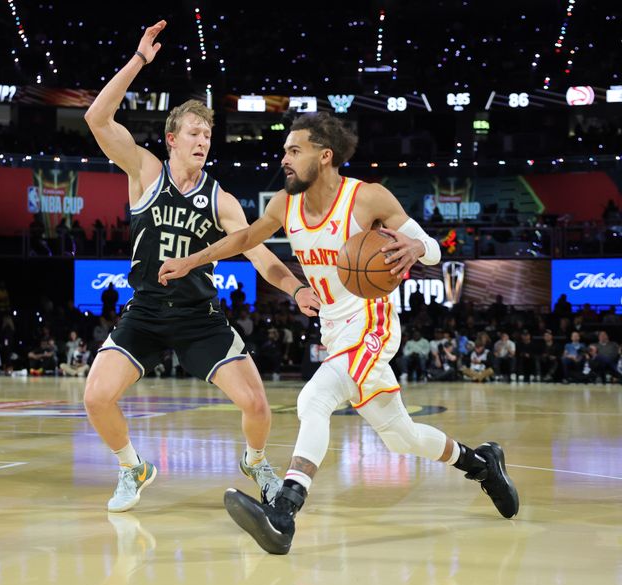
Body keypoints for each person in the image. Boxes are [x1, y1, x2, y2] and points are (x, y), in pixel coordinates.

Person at [159, 112, 518, 554]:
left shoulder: (367, 198)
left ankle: (283, 514)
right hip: (334, 329)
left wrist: (417, 247)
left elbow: (429, 246)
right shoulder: (283, 204)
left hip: (373, 323)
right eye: (285, 149)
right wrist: (192, 261)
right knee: (399, 435)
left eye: (295, 150)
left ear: (324, 155)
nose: (284, 158)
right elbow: (246, 238)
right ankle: (482, 464)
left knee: (315, 399)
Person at [82, 20, 320, 513]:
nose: (202, 140)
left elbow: (260, 255)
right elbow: (97, 119)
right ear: (172, 138)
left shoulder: (222, 201)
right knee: (96, 396)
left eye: (208, 135)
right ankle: (133, 467)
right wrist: (139, 61)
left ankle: (257, 463)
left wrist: (296, 289)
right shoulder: (145, 171)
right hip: (146, 311)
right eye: (193, 132)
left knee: (256, 404)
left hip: (198, 317)